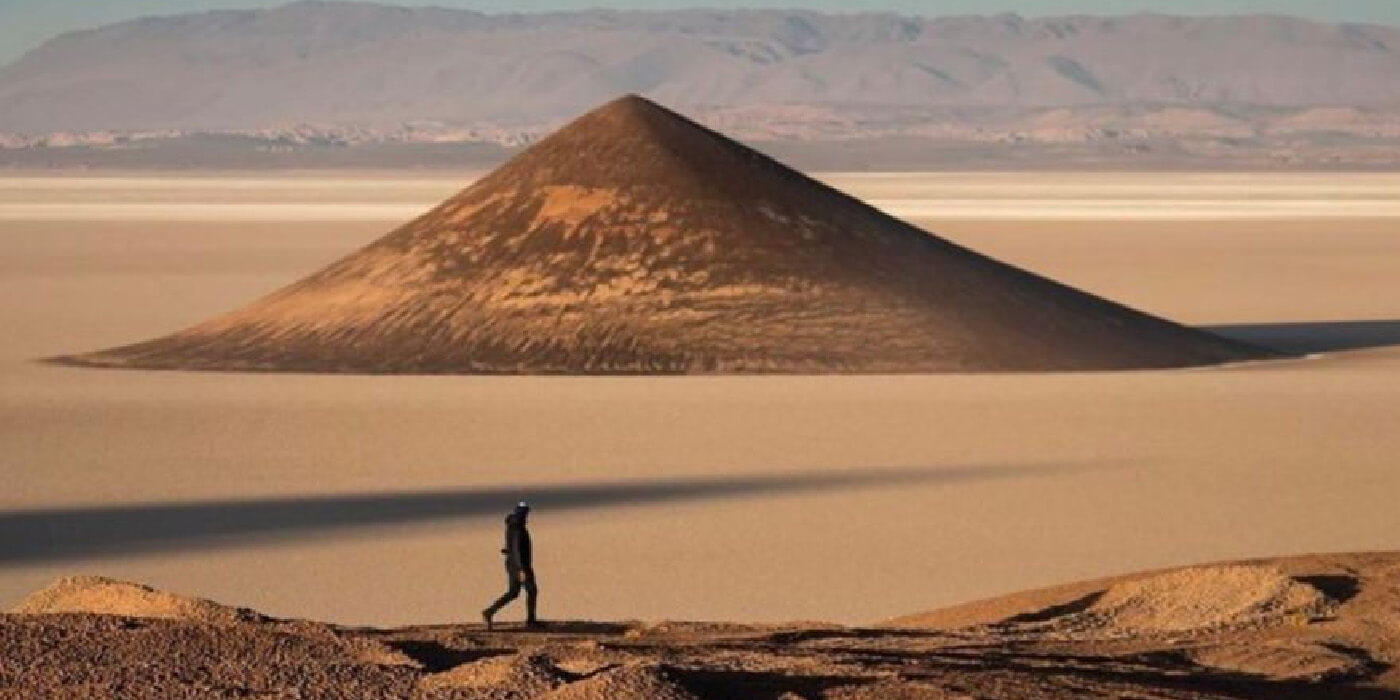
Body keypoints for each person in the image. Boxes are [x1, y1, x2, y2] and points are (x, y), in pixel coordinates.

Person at [482, 501, 538, 630]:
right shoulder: (518, 527)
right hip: (520, 565)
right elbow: (518, 549)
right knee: (532, 590)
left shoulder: (511, 525)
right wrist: (522, 569)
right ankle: (531, 621)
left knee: (513, 592)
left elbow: (511, 546)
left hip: (511, 564)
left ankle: (489, 611)